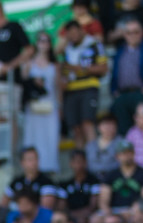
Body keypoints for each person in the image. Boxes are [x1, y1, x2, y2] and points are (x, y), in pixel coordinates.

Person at [59, 19, 109, 148]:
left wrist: (80, 69)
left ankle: (93, 160)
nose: (73, 36)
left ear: (81, 30)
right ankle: (80, 160)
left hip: (89, 88)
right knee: (75, 128)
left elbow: (104, 68)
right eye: (70, 34)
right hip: (70, 91)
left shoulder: (94, 44)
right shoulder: (66, 49)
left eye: (75, 32)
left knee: (88, 123)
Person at [109, 18, 143, 135]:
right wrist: (114, 91)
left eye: (136, 32)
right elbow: (114, 74)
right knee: (123, 131)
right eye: (129, 32)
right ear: (124, 35)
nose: (132, 35)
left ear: (142, 33)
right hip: (122, 95)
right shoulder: (119, 51)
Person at [0, 0, 35, 125]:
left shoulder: (14, 27)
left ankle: (12, 145)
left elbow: (29, 50)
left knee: (11, 120)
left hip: (10, 82)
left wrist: (9, 66)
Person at [23, 32, 61, 173]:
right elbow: (24, 84)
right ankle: (31, 165)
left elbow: (58, 87)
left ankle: (49, 165)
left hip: (50, 105)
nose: (43, 44)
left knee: (50, 136)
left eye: (46, 41)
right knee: (34, 136)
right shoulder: (29, 63)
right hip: (34, 106)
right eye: (41, 40)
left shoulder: (54, 65)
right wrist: (34, 82)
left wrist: (60, 105)